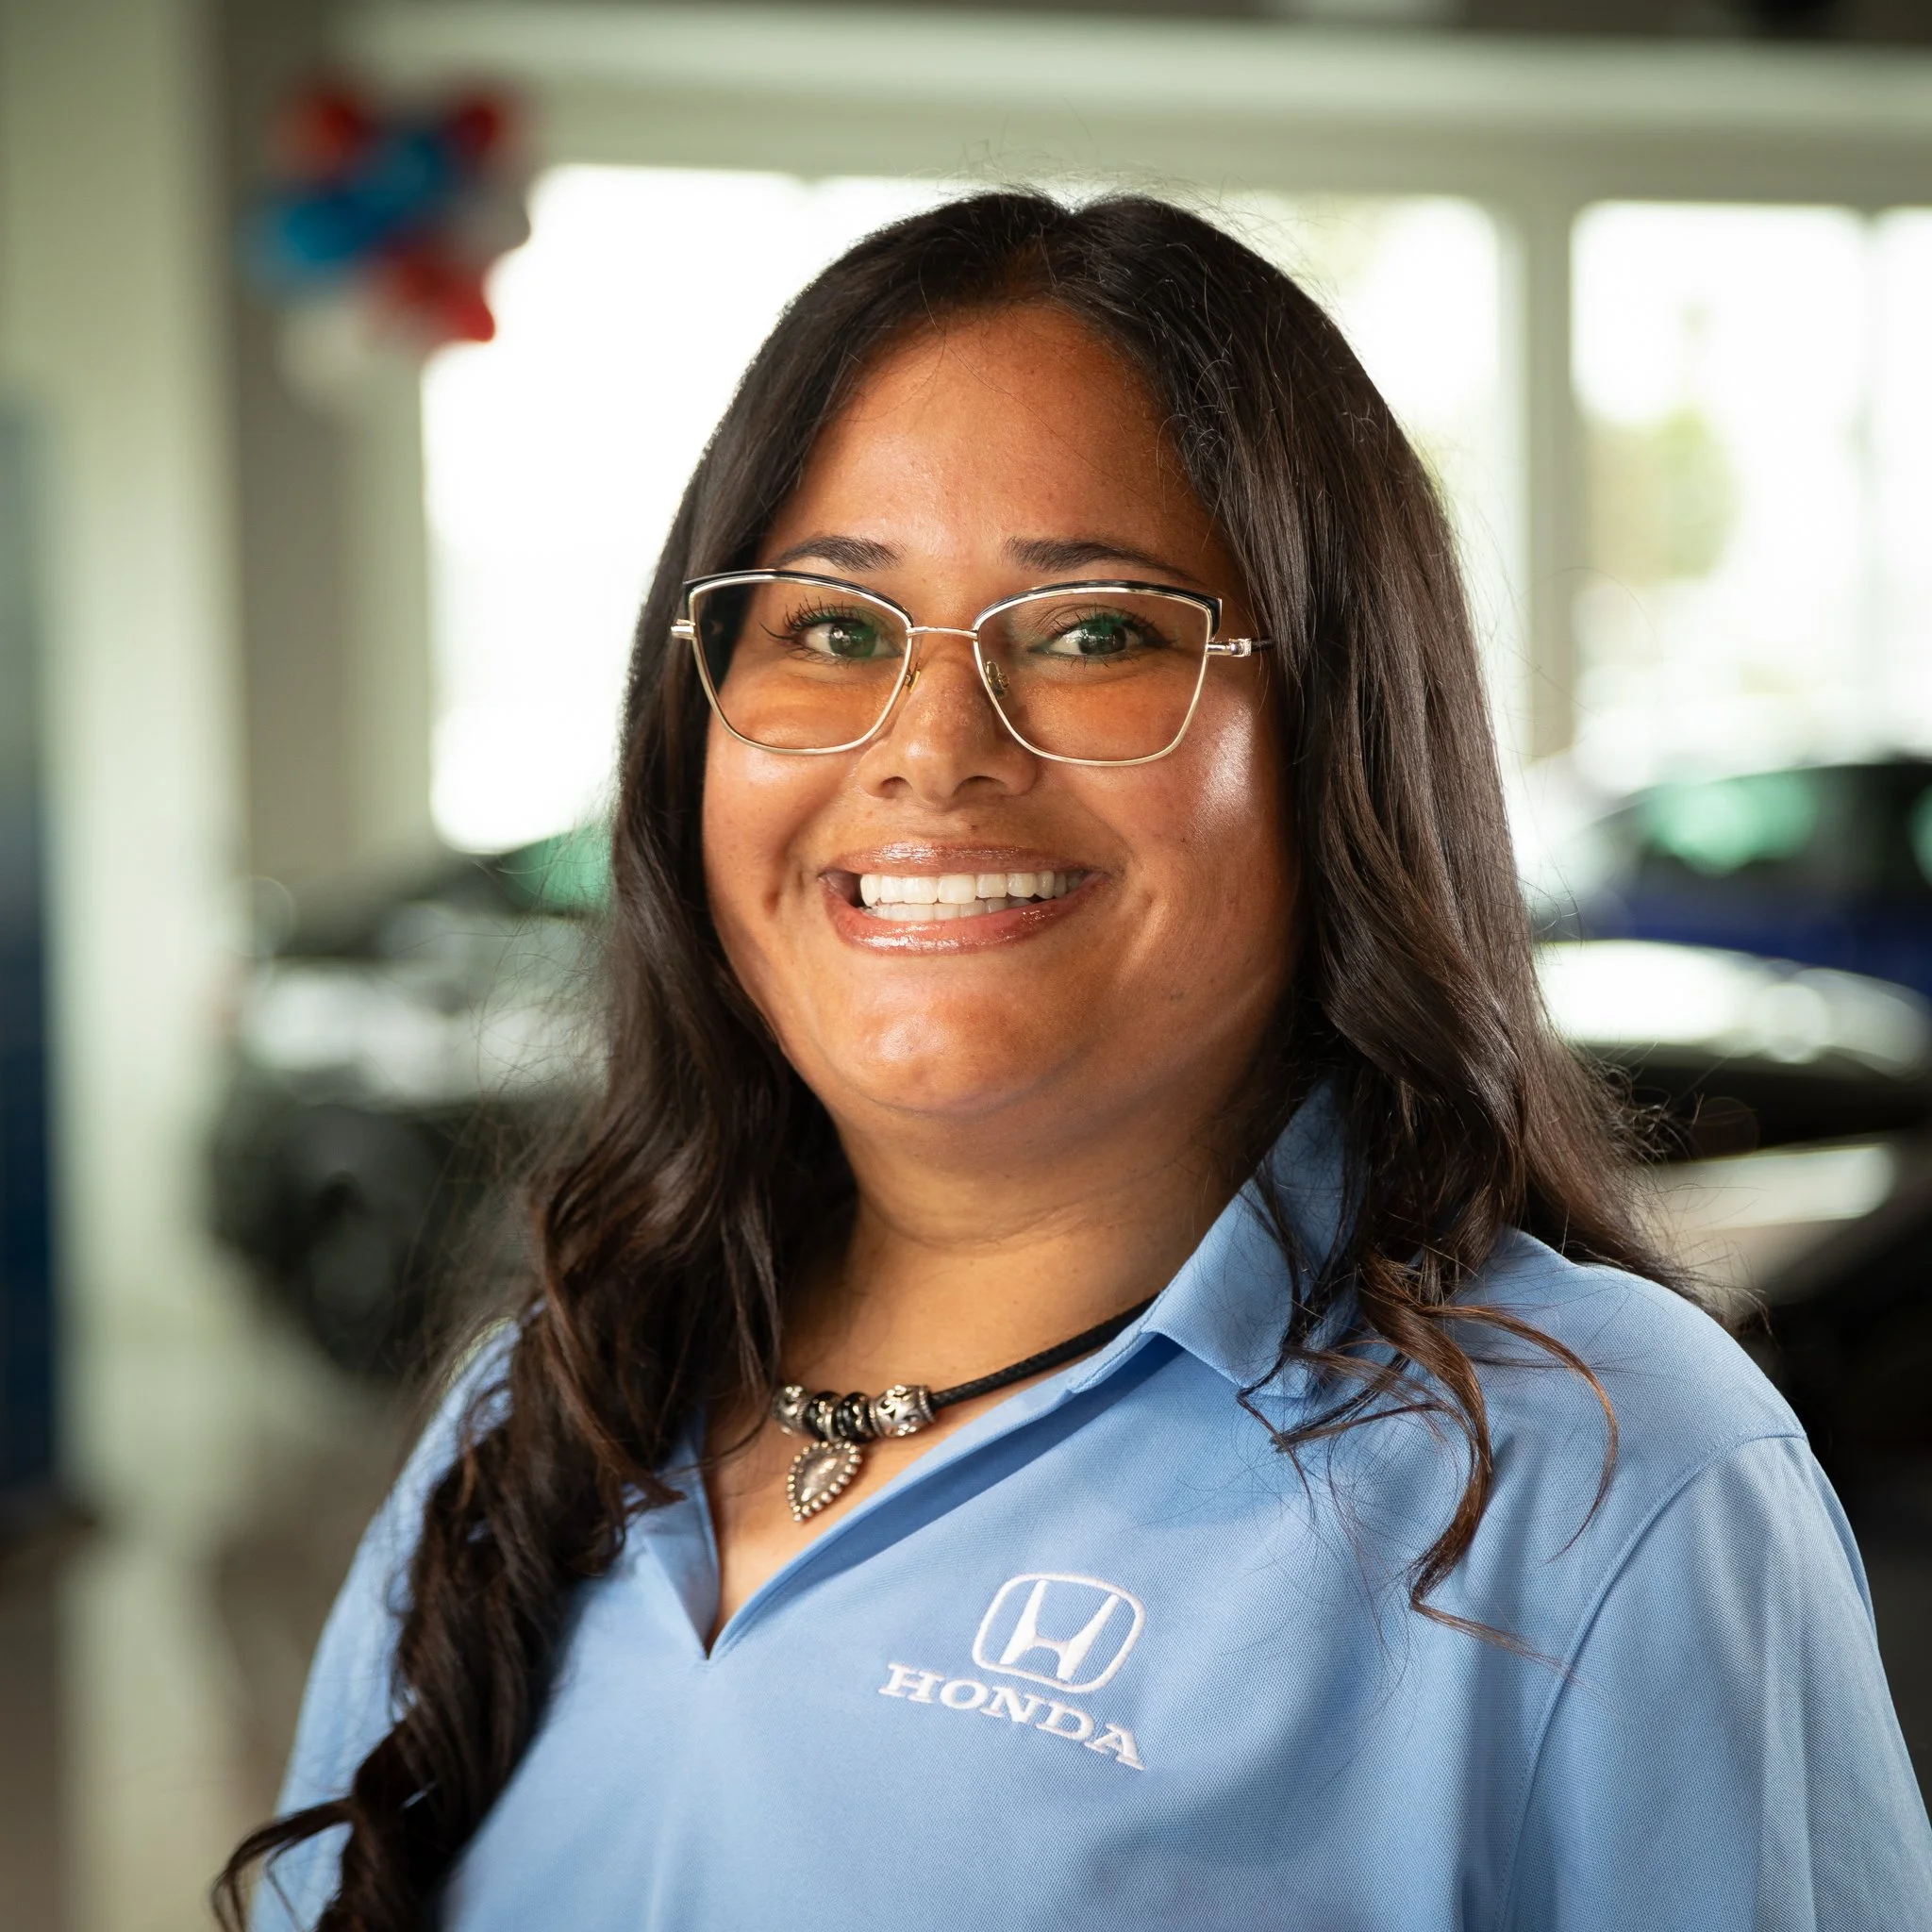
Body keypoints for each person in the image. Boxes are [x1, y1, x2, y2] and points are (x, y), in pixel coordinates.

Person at [220, 192, 1932, 1932]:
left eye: (1099, 630)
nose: (935, 749)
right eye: (828, 628)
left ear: (1338, 737)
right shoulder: (542, 1414)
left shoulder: (1598, 1479)